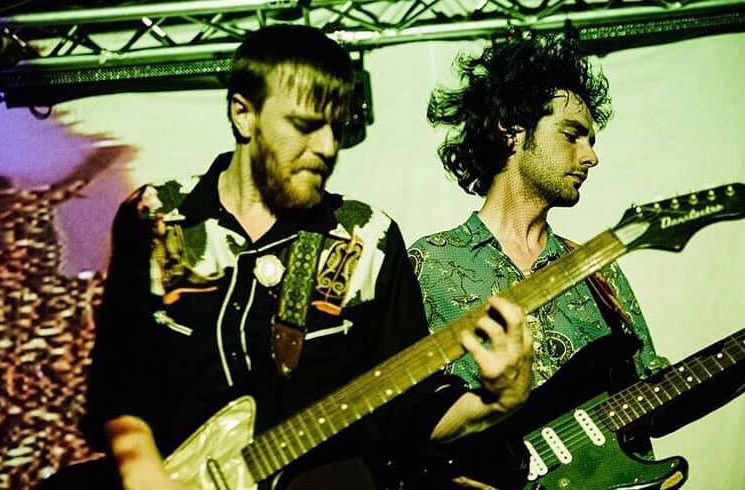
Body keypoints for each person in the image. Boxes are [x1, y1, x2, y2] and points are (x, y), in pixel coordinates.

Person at [73, 25, 532, 490]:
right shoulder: (157, 216)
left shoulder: (368, 237)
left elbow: (411, 411)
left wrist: (494, 403)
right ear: (242, 114)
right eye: (306, 125)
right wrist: (143, 472)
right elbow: (118, 385)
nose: (328, 147)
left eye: (338, 127)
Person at [407, 33, 661, 486]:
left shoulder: (598, 270)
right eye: (572, 135)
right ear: (511, 130)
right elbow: (397, 428)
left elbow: (647, 397)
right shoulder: (428, 266)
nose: (591, 156)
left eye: (590, 141)